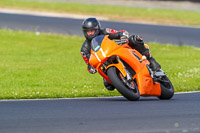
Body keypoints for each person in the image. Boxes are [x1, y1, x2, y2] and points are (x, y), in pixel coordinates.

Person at [80, 18, 161, 90]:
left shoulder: (105, 31)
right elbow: (89, 63)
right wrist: (91, 67)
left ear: (97, 29)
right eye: (88, 32)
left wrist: (122, 35)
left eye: (92, 31)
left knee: (135, 39)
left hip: (118, 50)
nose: (90, 34)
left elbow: (119, 33)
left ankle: (151, 60)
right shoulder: (84, 49)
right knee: (108, 85)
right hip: (105, 62)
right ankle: (125, 84)